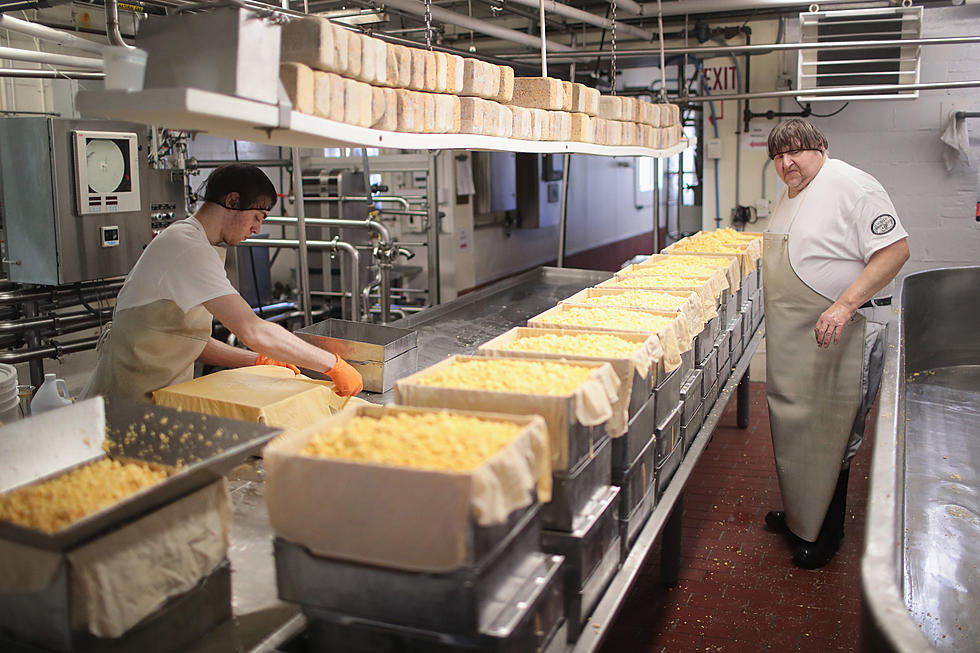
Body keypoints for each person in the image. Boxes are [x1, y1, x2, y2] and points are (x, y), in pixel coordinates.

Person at [84, 163, 363, 403]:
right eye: (257, 217)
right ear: (232, 201)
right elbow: (254, 331)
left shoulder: (199, 244)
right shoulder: (186, 246)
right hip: (124, 403)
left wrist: (257, 360)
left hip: (155, 397)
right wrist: (333, 365)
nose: (257, 229)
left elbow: (187, 341)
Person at [762, 118, 909, 569]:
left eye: (797, 151)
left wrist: (844, 306)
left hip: (842, 332)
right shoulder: (791, 195)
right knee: (796, 424)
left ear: (820, 147)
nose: (787, 162)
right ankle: (801, 511)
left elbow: (895, 250)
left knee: (833, 431)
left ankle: (826, 533)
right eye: (778, 155)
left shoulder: (852, 185)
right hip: (797, 335)